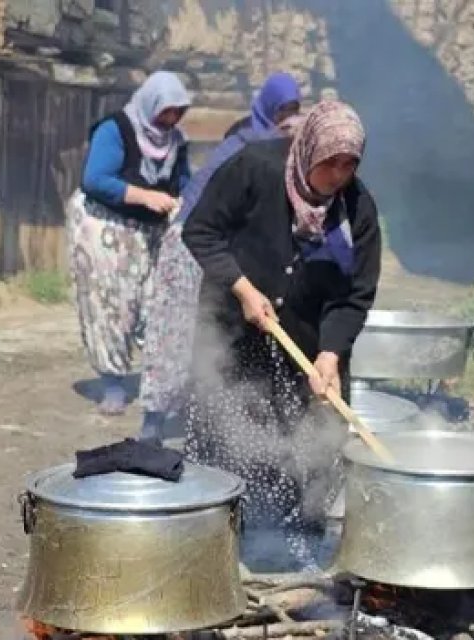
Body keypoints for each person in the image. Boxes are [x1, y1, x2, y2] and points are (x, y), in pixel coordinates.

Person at [181, 100, 379, 571]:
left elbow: (354, 295)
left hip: (309, 349)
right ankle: (224, 556)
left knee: (315, 450)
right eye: (330, 162)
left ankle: (294, 561)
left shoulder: (356, 208)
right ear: (308, 149)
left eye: (350, 164)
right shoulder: (255, 169)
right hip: (237, 340)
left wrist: (331, 352)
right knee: (235, 448)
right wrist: (244, 288)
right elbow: (201, 231)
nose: (338, 174)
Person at [139, 73, 303, 439]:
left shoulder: (272, 145)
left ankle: (195, 418)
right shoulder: (247, 145)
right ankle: (152, 420)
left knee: (206, 333)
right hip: (191, 240)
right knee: (174, 330)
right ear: (266, 107)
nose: (287, 117)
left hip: (217, 248)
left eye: (293, 109)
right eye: (282, 109)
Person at [67, 71, 192, 415]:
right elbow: (95, 179)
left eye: (177, 112)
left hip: (151, 233)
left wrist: (184, 202)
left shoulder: (176, 141)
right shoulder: (116, 130)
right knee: (111, 307)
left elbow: (183, 182)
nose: (170, 120)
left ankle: (162, 386)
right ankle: (113, 384)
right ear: (150, 104)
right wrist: (143, 196)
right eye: (165, 111)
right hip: (106, 230)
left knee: (157, 306)